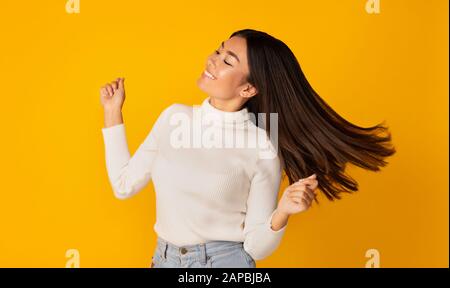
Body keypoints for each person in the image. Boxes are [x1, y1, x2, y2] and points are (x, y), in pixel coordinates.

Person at [99, 29, 396, 268]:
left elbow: (256, 246)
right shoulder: (174, 118)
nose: (213, 60)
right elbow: (123, 185)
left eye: (228, 61)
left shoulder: (262, 147)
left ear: (248, 89)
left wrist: (283, 211)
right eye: (218, 50)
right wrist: (113, 111)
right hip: (163, 260)